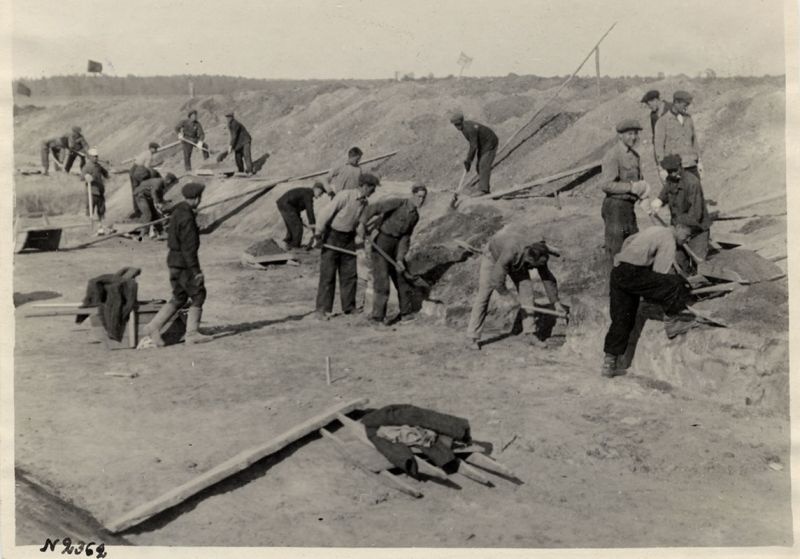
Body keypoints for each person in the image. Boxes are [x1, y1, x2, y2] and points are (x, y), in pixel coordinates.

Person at [601, 222, 699, 378]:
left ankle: (609, 363)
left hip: (619, 272)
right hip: (634, 273)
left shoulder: (653, 229)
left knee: (622, 319)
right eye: (687, 236)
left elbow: (628, 241)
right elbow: (661, 271)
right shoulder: (669, 239)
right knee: (676, 282)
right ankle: (674, 321)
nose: (687, 240)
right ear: (678, 228)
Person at [466, 230, 567, 350]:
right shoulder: (510, 252)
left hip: (518, 260)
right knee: (484, 294)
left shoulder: (540, 253)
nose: (533, 269)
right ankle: (473, 337)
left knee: (527, 293)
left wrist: (555, 302)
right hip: (493, 257)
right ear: (529, 258)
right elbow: (496, 280)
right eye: (533, 266)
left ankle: (530, 334)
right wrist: (508, 297)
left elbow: (547, 278)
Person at [141, 182, 212, 347]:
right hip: (184, 264)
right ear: (196, 199)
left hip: (173, 260)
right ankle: (192, 333)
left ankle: (153, 326)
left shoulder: (178, 212)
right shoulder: (187, 217)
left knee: (179, 297)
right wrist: (196, 271)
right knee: (198, 294)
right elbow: (189, 247)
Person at [313, 173, 380, 319]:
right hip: (332, 236)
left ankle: (349, 307)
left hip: (348, 239)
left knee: (349, 274)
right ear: (364, 186)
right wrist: (318, 234)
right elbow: (325, 213)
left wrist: (364, 236)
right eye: (372, 188)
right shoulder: (345, 196)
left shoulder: (364, 203)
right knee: (328, 274)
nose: (374, 191)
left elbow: (359, 224)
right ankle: (321, 310)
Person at [361, 182, 427, 324]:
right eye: (419, 196)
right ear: (413, 195)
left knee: (402, 277)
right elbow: (374, 208)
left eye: (423, 197)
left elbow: (405, 238)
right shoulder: (398, 203)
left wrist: (400, 258)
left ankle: (406, 313)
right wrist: (362, 224)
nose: (421, 200)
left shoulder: (415, 216)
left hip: (397, 246)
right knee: (382, 280)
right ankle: (377, 318)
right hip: (382, 242)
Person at [600, 119, 652, 265]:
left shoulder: (635, 156)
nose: (633, 137)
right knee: (616, 250)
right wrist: (631, 187)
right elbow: (606, 185)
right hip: (615, 208)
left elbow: (639, 180)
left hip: (628, 208)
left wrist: (644, 195)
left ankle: (630, 285)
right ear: (620, 136)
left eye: (635, 134)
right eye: (629, 134)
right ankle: (613, 285)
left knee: (633, 247)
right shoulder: (613, 155)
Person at [650, 154, 712, 270]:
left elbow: (696, 215)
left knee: (699, 266)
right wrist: (659, 200)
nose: (672, 174)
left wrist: (679, 227)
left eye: (674, 170)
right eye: (669, 171)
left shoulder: (692, 182)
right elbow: (666, 191)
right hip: (680, 228)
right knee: (678, 263)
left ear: (680, 167)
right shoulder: (671, 179)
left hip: (697, 230)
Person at [654, 90, 702, 179]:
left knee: (696, 192)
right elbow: (658, 147)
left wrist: (699, 162)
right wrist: (662, 169)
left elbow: (694, 140)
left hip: (692, 165)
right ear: (676, 102)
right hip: (675, 169)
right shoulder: (662, 122)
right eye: (685, 105)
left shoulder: (688, 119)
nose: (686, 108)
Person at [450, 111, 499, 195]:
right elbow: (473, 144)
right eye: (455, 125)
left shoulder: (470, 129)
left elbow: (473, 146)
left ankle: (483, 190)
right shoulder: (463, 128)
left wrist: (468, 160)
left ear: (461, 121)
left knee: (483, 165)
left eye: (458, 124)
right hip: (483, 144)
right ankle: (485, 188)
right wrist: (468, 161)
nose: (457, 127)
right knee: (478, 166)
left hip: (490, 142)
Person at [276, 181, 325, 249]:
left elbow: (295, 206)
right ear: (317, 189)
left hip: (283, 203)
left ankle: (287, 244)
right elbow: (310, 212)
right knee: (298, 228)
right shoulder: (308, 194)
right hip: (286, 205)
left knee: (292, 228)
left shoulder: (305, 192)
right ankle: (295, 248)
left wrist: (300, 219)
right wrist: (315, 229)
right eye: (321, 193)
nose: (320, 196)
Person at [132, 172, 179, 240]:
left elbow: (159, 196)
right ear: (168, 181)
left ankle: (161, 232)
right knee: (147, 214)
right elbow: (154, 192)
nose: (171, 187)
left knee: (155, 215)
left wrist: (163, 202)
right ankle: (143, 235)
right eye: (171, 185)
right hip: (140, 196)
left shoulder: (161, 184)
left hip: (147, 197)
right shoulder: (158, 182)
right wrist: (157, 203)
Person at [83, 148, 115, 236]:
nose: (96, 158)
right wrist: (86, 176)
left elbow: (106, 174)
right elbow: (83, 176)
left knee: (101, 211)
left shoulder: (98, 166)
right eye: (94, 157)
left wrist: (110, 171)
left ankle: (100, 228)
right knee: (90, 211)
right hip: (92, 192)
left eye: (96, 156)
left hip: (100, 192)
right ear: (89, 157)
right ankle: (90, 229)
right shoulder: (87, 167)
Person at [128, 142, 163, 219]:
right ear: (151, 148)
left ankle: (140, 209)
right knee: (137, 190)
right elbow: (147, 168)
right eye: (155, 149)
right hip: (136, 171)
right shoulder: (149, 155)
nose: (156, 150)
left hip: (136, 170)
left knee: (137, 190)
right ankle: (139, 210)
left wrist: (155, 165)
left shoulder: (145, 152)